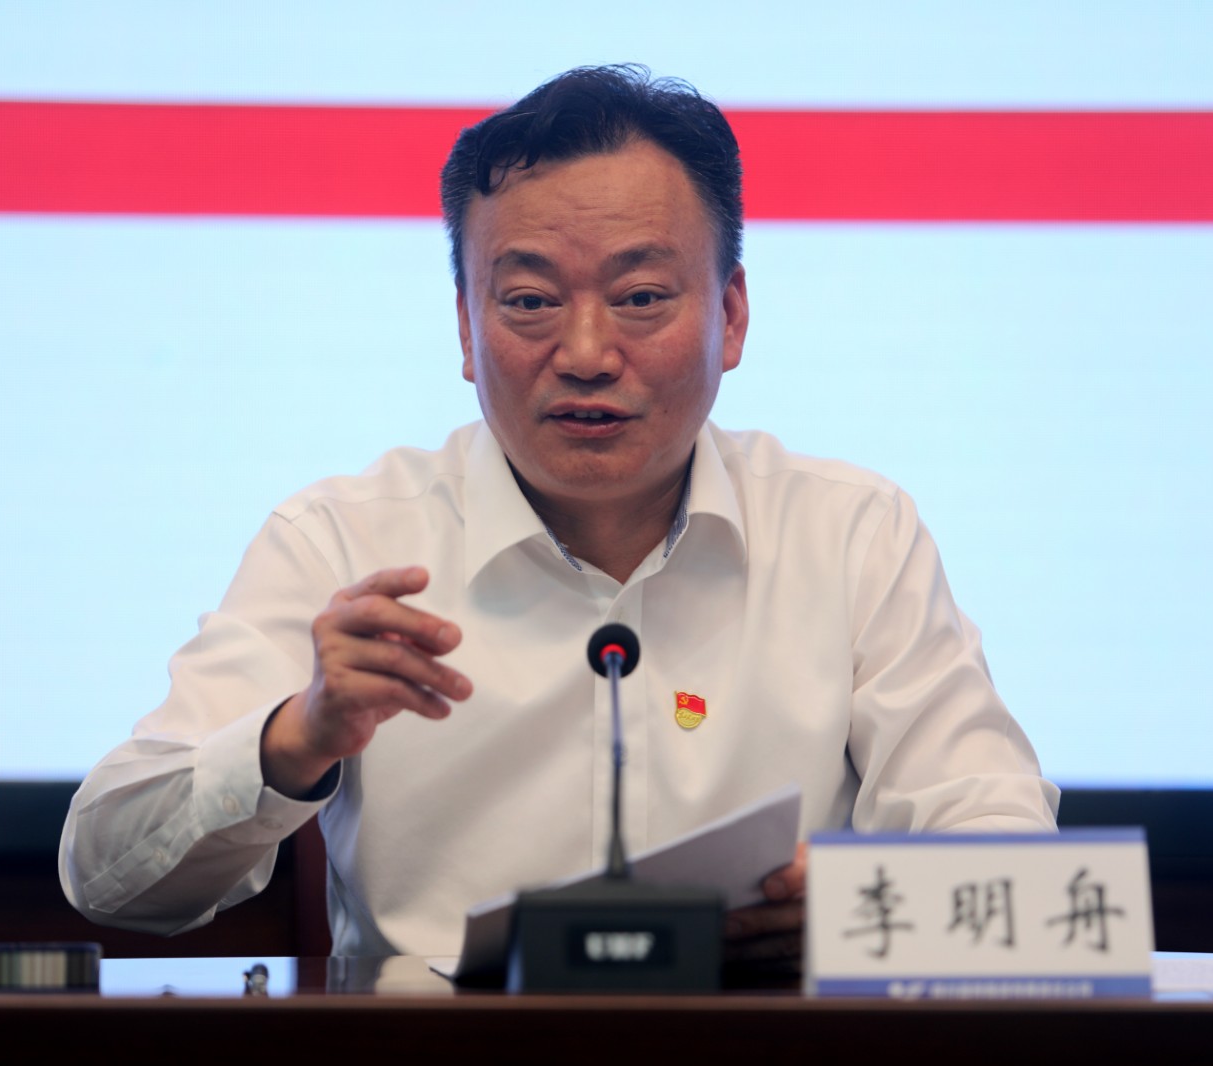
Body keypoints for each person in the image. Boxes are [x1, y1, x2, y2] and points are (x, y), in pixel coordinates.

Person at [59, 65, 1059, 964]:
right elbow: (106, 875)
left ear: (730, 315)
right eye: (530, 301)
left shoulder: (850, 536)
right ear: (466, 325)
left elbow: (1017, 874)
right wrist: (296, 738)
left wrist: (854, 910)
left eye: (641, 296)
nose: (584, 353)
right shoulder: (344, 541)